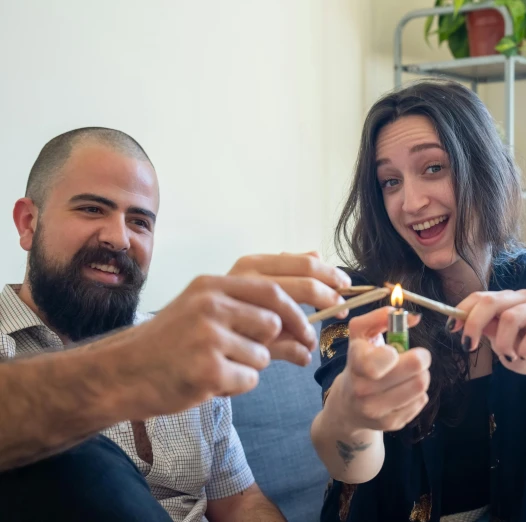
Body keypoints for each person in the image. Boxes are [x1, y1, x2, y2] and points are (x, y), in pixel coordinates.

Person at [309, 81, 526, 522]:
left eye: (433, 168)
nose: (411, 202)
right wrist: (353, 410)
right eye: (390, 182)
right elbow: (349, 463)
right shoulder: (364, 299)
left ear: (482, 167)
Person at [0, 127, 351, 522]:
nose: (119, 238)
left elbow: (240, 502)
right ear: (28, 222)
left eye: (139, 222)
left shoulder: (188, 345)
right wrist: (137, 362)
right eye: (92, 209)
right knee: (75, 458)